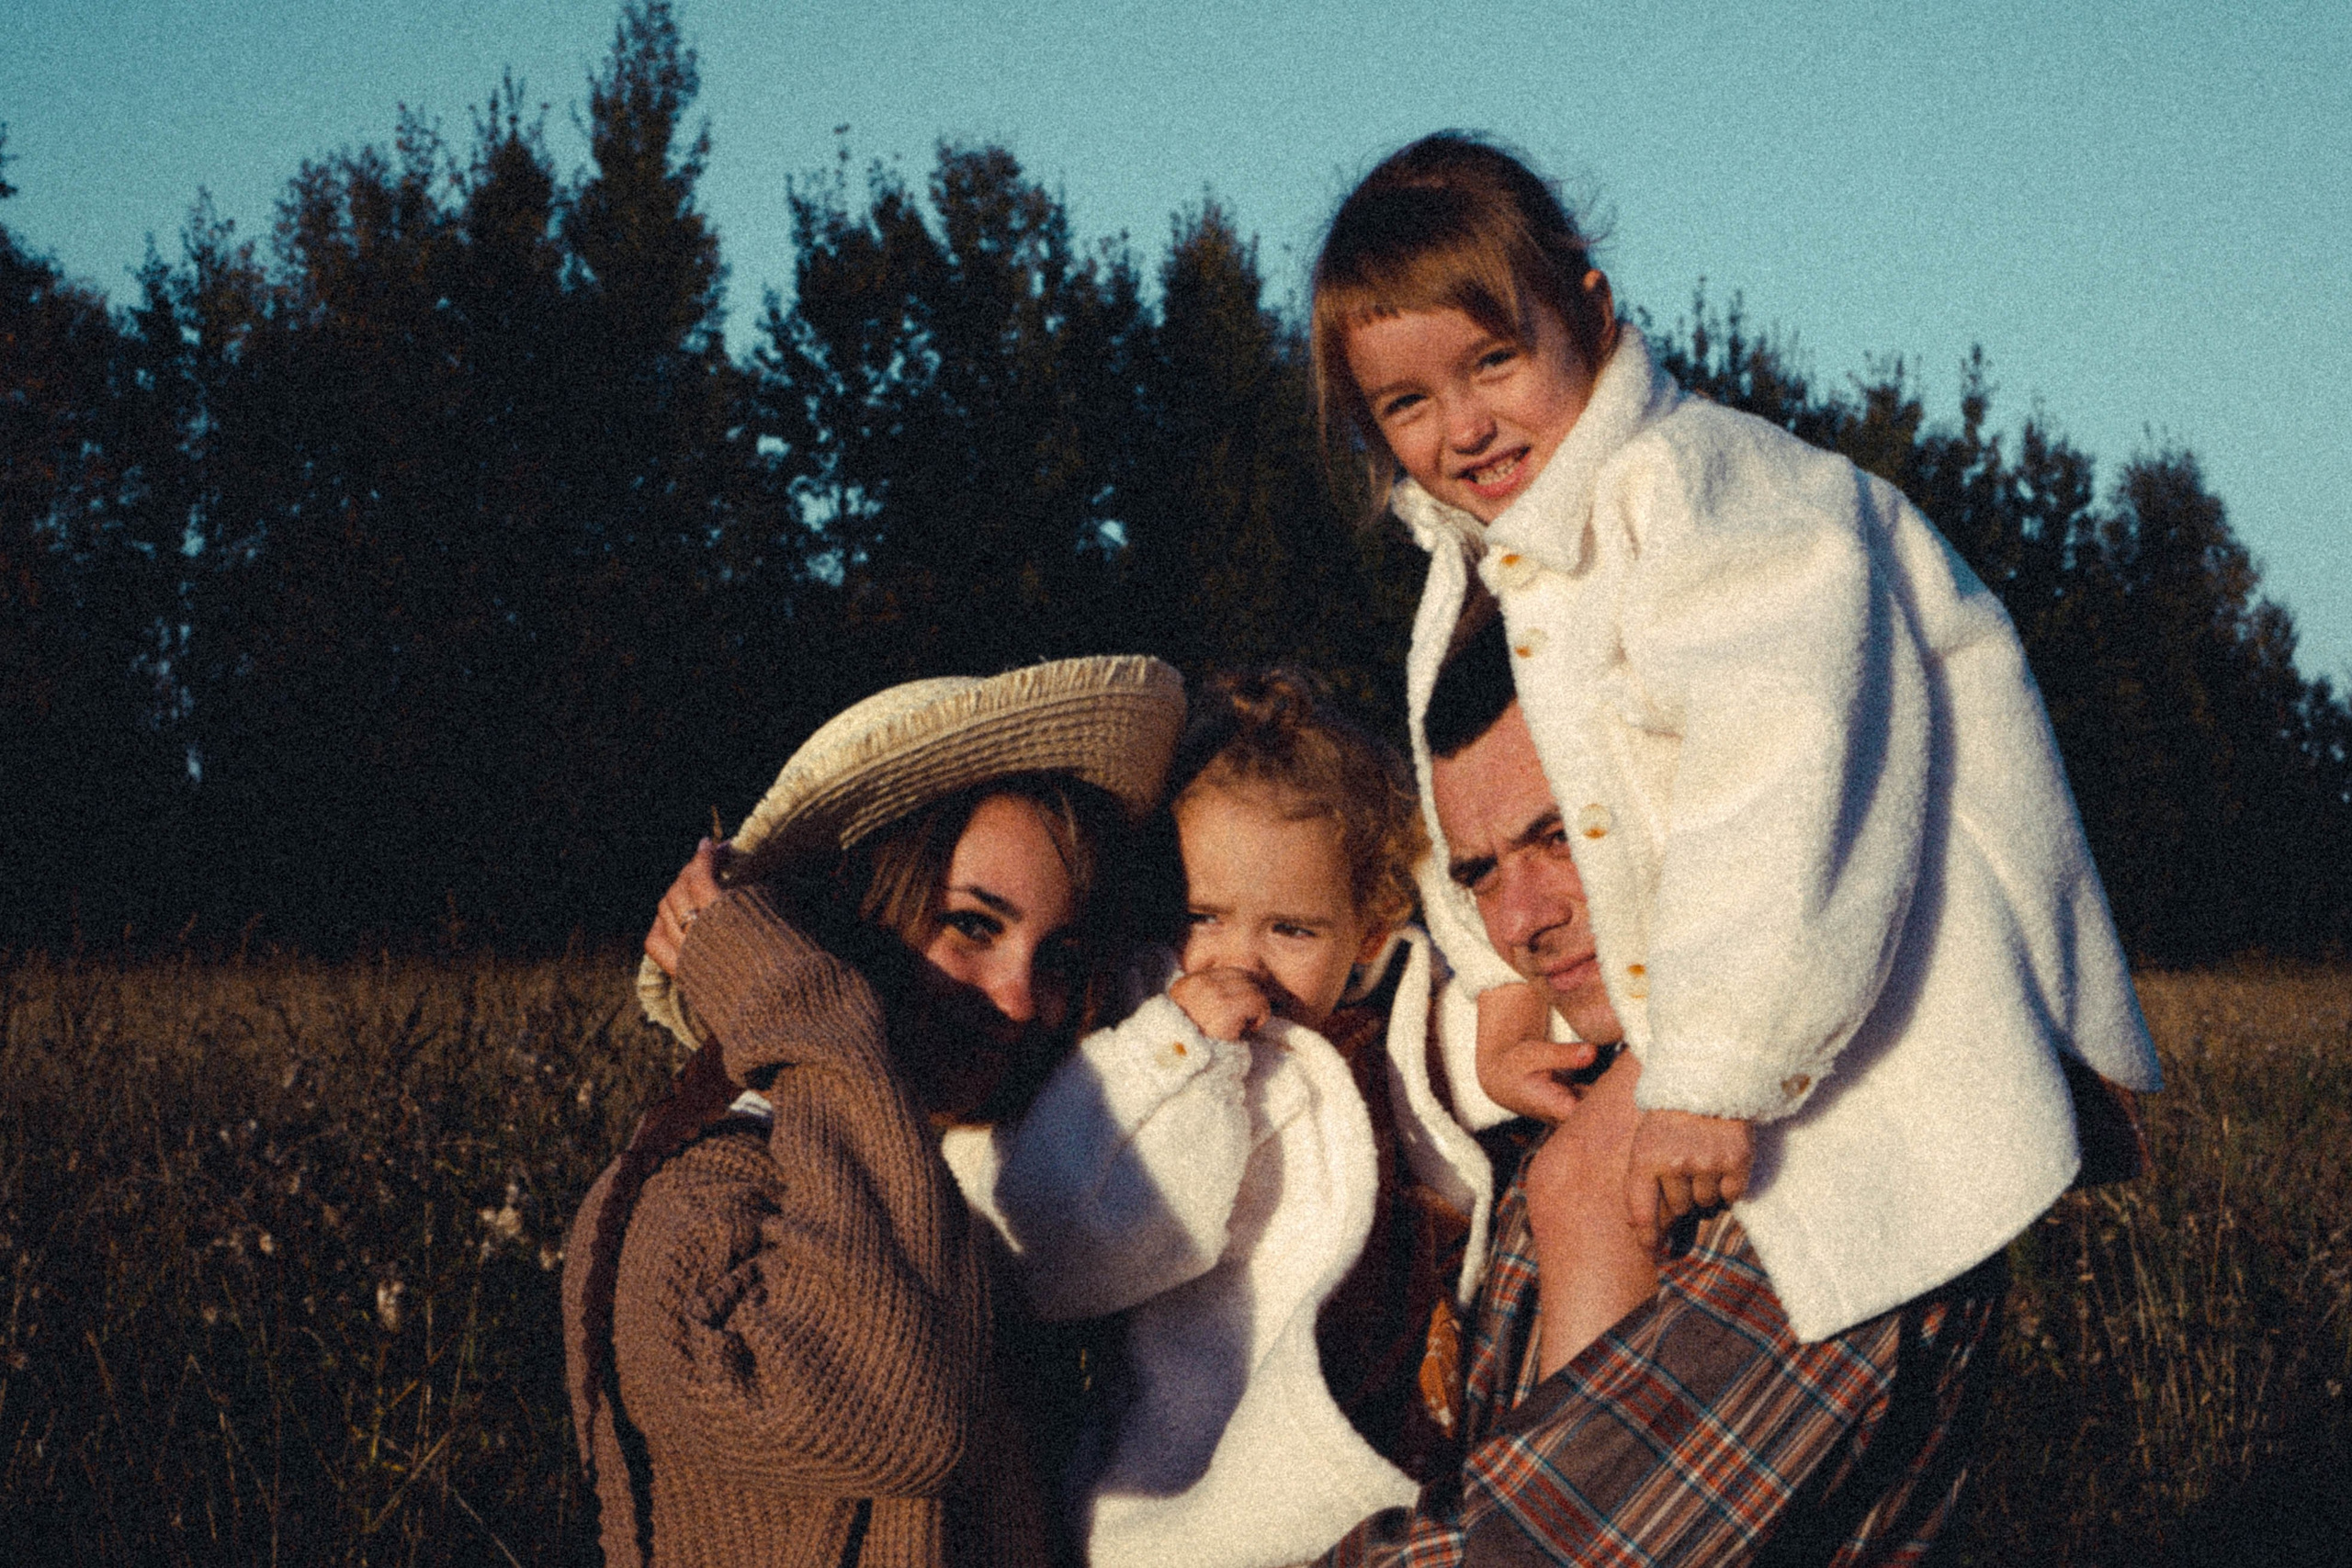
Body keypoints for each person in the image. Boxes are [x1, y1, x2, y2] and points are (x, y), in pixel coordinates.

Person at [1304, 132, 2164, 1562]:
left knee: (1577, 1345)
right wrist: (1494, 983)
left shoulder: (1707, 490)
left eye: (1493, 362)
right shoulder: (1485, 569)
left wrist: (1720, 1060)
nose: (1462, 427)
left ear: (1589, 303)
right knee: (1568, 1227)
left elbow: (1786, 772)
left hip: (1864, 1072)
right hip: (1733, 1061)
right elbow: (1507, 810)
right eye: (1407, 401)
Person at [560, 655, 1186, 1568]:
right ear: (855, 919)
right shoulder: (693, 1206)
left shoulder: (954, 1197)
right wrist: (802, 1003)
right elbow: (898, 1420)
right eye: (972, 924)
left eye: (1055, 957)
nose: (1019, 999)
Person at [947, 669, 1499, 1568]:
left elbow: (1479, 1044)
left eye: (1292, 930)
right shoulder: (1141, 1041)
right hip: (1193, 1489)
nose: (1241, 960)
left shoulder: (1384, 1023)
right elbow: (1048, 1242)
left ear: (1365, 939)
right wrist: (1180, 1053)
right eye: (1202, 916)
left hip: (1380, 1430)